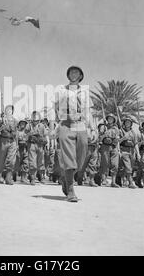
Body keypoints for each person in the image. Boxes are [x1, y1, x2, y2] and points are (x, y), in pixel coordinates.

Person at [53, 65, 89, 202]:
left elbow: (87, 111)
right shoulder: (61, 90)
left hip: (80, 124)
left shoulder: (85, 92)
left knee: (81, 154)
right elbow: (55, 108)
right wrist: (55, 124)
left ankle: (65, 178)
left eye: (77, 72)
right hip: (66, 124)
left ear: (80, 76)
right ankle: (70, 191)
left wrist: (91, 128)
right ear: (68, 75)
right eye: (71, 72)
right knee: (69, 158)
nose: (74, 74)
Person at [0, 105, 18, 185]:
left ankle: (8, 177)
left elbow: (16, 133)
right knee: (0, 160)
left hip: (12, 141)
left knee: (11, 160)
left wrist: (17, 143)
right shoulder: (1, 120)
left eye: (11, 110)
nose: (9, 111)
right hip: (3, 140)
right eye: (8, 110)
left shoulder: (15, 121)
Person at [26, 111, 48, 185]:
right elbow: (25, 134)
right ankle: (32, 178)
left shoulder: (42, 126)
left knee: (41, 161)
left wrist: (45, 142)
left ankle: (40, 176)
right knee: (32, 161)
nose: (35, 122)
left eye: (37, 120)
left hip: (40, 145)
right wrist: (31, 134)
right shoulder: (29, 125)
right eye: (34, 120)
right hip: (32, 144)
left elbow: (45, 135)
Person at [99, 114, 121, 188]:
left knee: (115, 164)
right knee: (105, 163)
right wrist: (103, 133)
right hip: (105, 146)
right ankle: (104, 179)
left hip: (113, 146)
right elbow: (100, 137)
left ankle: (113, 181)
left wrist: (118, 149)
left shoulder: (116, 129)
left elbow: (117, 139)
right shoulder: (103, 127)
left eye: (112, 118)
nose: (110, 120)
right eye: (109, 118)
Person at [118, 116, 139, 189]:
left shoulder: (133, 132)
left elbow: (135, 143)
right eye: (126, 122)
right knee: (128, 166)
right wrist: (123, 138)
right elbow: (117, 142)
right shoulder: (120, 131)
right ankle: (130, 182)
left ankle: (124, 178)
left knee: (129, 167)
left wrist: (138, 153)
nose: (127, 123)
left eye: (129, 122)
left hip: (132, 151)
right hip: (124, 150)